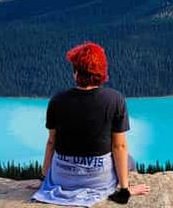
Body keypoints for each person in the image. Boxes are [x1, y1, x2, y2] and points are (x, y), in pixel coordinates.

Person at [31, 42, 150, 206]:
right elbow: (119, 146)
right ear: (102, 72)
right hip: (98, 181)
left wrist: (45, 179)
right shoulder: (115, 99)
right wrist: (124, 189)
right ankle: (123, 184)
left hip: (61, 178)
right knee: (129, 161)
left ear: (76, 73)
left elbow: (52, 142)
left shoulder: (57, 100)